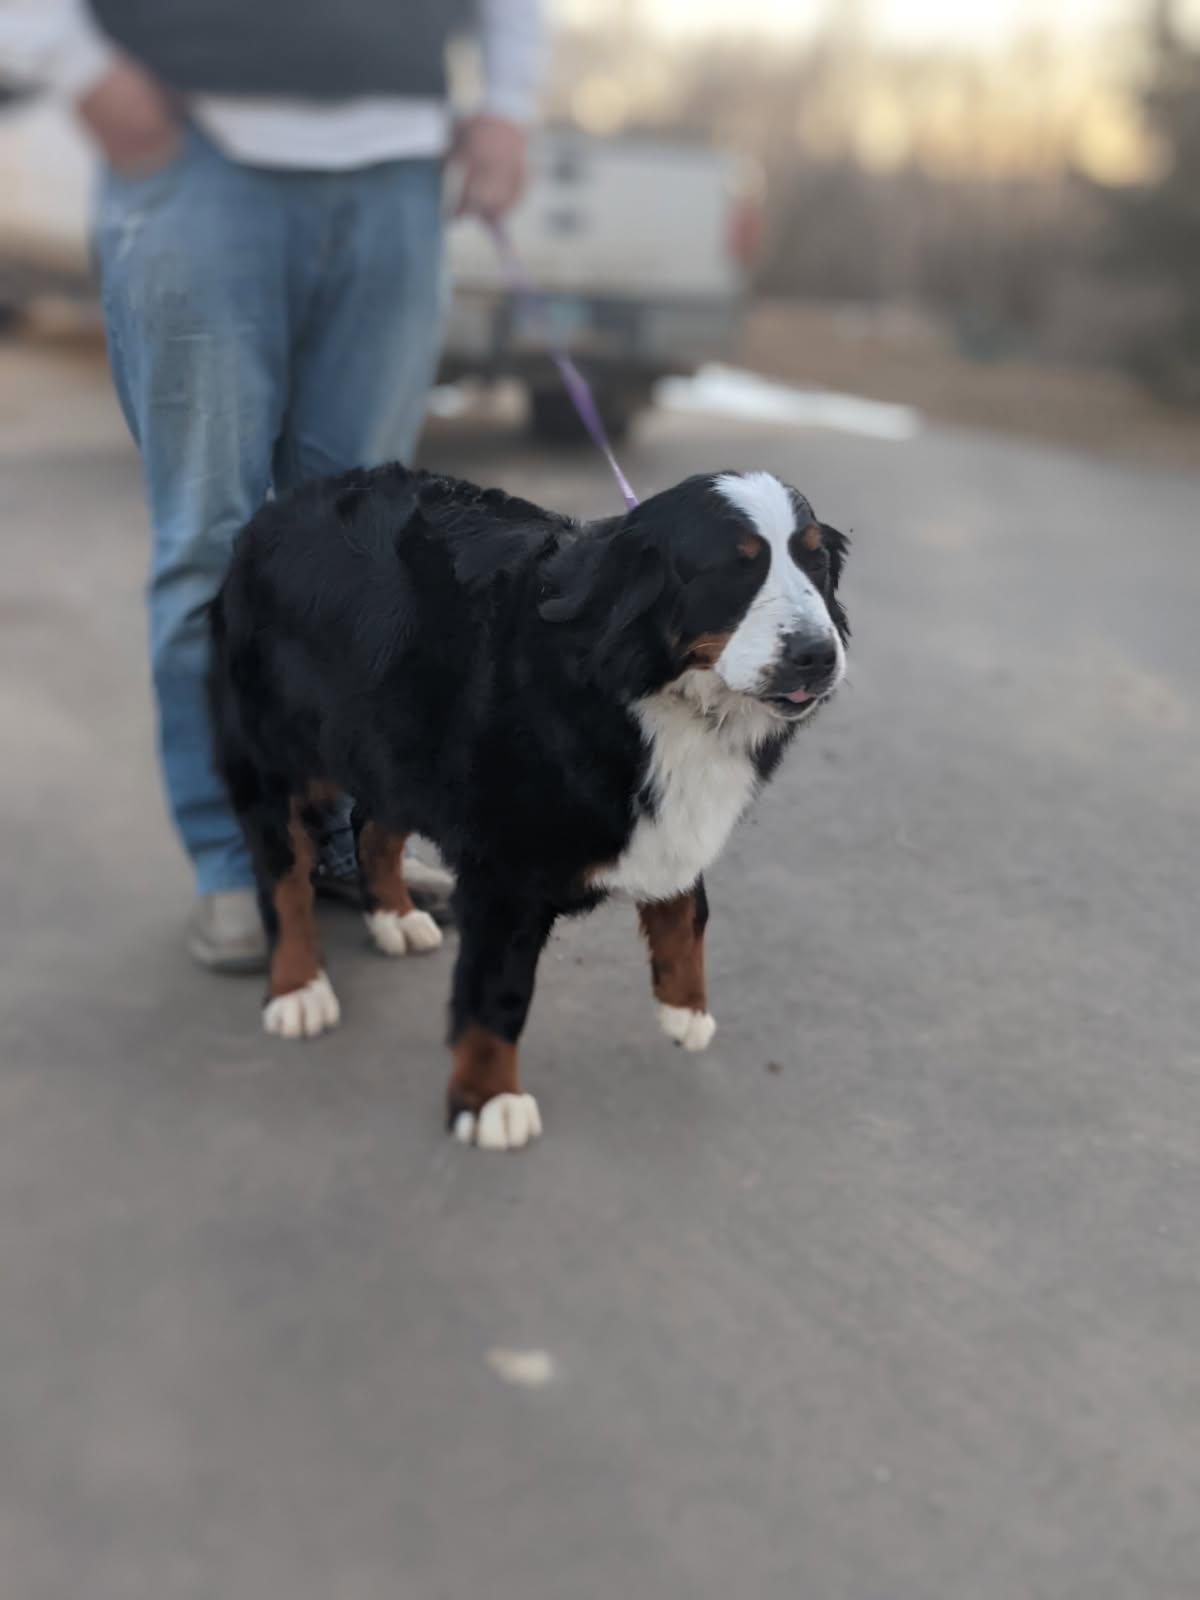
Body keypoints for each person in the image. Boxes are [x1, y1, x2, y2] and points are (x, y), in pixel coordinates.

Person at [0, 0, 543, 969]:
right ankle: (235, 863)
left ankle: (339, 846)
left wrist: (507, 103)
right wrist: (75, 62)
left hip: (394, 170)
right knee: (211, 543)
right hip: (194, 153)